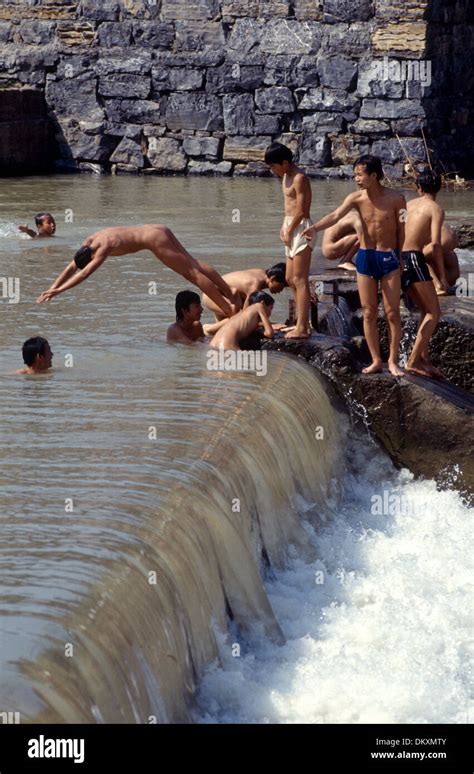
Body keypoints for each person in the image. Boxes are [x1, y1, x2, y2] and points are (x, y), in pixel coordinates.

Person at [303, 154, 406, 377]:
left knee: (392, 313)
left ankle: (393, 361)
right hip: (366, 259)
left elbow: (402, 229)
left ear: (374, 175)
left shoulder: (397, 199)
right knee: (369, 313)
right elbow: (335, 215)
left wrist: (401, 256)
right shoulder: (356, 199)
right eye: (355, 174)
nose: (356, 179)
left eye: (360, 175)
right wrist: (315, 228)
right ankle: (376, 360)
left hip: (389, 258)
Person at [36, 225, 236, 318]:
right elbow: (72, 266)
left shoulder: (103, 248)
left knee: (191, 273)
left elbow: (84, 273)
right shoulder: (89, 241)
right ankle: (229, 292)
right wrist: (51, 289)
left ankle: (227, 309)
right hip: (159, 229)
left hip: (155, 240)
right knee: (194, 263)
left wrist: (60, 292)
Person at [264, 142, 315, 339]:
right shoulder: (285, 176)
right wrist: (283, 227)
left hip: (301, 228)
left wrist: (290, 229)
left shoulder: (300, 178)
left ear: (285, 162)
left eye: (274, 166)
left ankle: (303, 327)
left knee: (300, 279)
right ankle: (300, 323)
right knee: (289, 278)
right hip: (290, 225)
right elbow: (289, 207)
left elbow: (302, 210)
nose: (273, 170)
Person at [402, 170, 445, 378]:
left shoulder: (408, 205)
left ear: (418, 188)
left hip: (397, 258)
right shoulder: (435, 208)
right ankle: (412, 362)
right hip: (412, 258)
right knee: (434, 313)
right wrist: (442, 277)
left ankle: (423, 359)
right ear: (439, 188)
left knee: (424, 310)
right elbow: (436, 244)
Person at [202, 262, 287, 321]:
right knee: (237, 319)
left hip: (225, 295)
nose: (281, 290)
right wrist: (271, 324)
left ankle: (210, 334)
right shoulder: (254, 285)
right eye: (282, 286)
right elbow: (246, 316)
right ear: (273, 278)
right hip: (211, 295)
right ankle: (208, 329)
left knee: (225, 327)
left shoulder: (261, 272)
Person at [209, 291, 275, 352]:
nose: (271, 313)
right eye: (271, 308)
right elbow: (269, 334)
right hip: (226, 344)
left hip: (213, 343)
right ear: (263, 303)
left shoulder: (244, 313)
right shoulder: (259, 306)